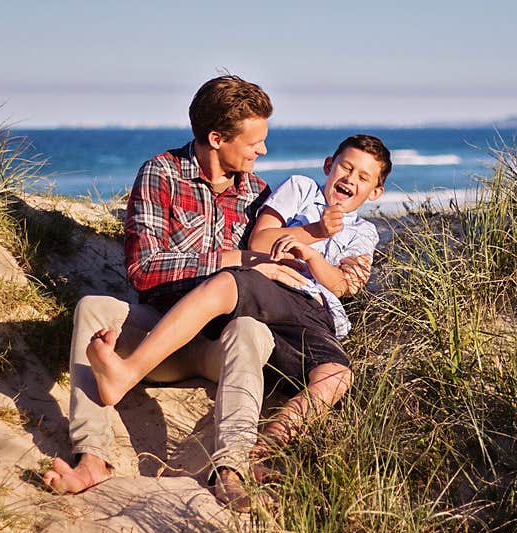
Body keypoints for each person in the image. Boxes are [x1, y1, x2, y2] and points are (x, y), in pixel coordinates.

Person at [41, 75, 371, 509]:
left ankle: (230, 466)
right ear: (217, 138)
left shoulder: (257, 194)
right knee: (92, 308)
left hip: (220, 344)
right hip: (162, 333)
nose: (262, 151)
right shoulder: (161, 174)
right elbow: (144, 270)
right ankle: (92, 457)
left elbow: (272, 267)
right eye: (254, 141)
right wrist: (234, 259)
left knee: (250, 330)